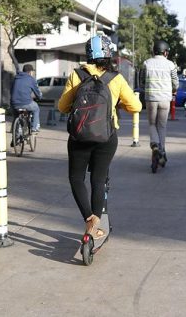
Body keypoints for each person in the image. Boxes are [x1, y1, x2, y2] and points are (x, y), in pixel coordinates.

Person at [58, 35, 141, 239]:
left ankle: (89, 219)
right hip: (106, 137)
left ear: (88, 54)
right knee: (99, 179)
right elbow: (136, 107)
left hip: (78, 137)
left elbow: (62, 107)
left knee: (76, 178)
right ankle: (96, 221)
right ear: (108, 55)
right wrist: (116, 103)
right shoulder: (116, 79)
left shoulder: (77, 75)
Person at [139, 40, 178, 164]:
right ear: (165, 52)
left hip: (151, 99)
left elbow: (141, 81)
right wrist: (173, 89)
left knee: (151, 124)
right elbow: (175, 83)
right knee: (162, 126)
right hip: (165, 99)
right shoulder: (171, 65)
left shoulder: (146, 63)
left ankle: (155, 146)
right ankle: (162, 151)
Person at [10, 64, 42, 135]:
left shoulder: (15, 78)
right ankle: (34, 127)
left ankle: (15, 138)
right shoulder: (31, 79)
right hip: (26, 103)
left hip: (14, 103)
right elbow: (37, 92)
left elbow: (11, 91)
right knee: (36, 108)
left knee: (16, 117)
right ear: (30, 72)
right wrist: (39, 97)